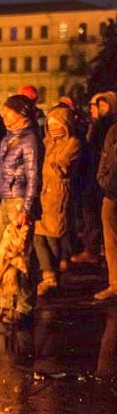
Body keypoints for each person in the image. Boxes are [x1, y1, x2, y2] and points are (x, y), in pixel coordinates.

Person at [0, 94, 41, 323]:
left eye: (8, 111)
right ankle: (5, 302)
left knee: (18, 256)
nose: (4, 115)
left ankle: (24, 306)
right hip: (6, 200)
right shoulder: (7, 140)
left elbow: (34, 177)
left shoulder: (30, 140)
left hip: (19, 202)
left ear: (21, 113)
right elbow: (2, 175)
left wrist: (26, 208)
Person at [34, 105, 81, 295]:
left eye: (58, 124)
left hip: (58, 194)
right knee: (38, 235)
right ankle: (48, 273)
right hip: (42, 192)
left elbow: (60, 167)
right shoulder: (46, 142)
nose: (53, 128)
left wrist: (46, 166)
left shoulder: (72, 143)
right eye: (50, 124)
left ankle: (53, 275)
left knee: (53, 236)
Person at [73, 92, 117, 265]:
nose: (92, 109)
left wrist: (101, 177)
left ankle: (93, 250)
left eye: (94, 105)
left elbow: (103, 154)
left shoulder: (105, 125)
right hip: (100, 177)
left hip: (100, 178)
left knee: (93, 213)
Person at [94, 112, 117, 300]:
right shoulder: (113, 131)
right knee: (111, 242)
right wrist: (103, 179)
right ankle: (114, 283)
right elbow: (105, 157)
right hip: (111, 194)